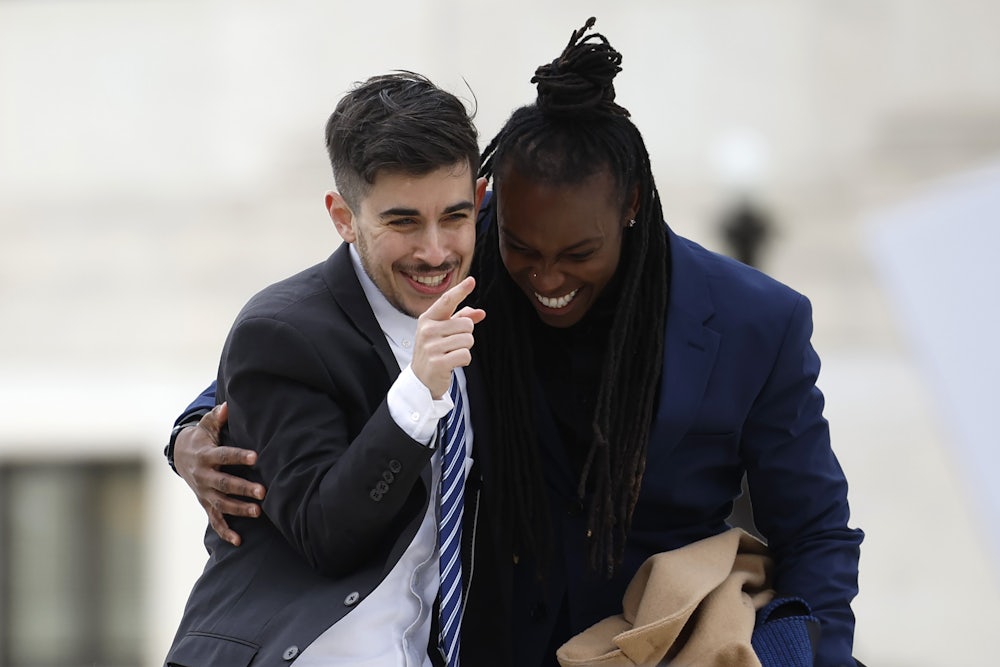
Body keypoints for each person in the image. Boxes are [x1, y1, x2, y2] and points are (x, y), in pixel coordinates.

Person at [170, 19, 864, 667]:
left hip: (644, 646)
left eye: (579, 253)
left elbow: (817, 530)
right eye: (523, 248)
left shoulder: (755, 321)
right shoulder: (470, 259)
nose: (547, 277)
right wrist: (186, 436)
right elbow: (299, 350)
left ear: (630, 208)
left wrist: (803, 657)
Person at [162, 71, 500, 667]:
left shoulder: (497, 273)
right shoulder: (282, 331)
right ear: (343, 217)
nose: (435, 251)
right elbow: (326, 535)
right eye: (401, 223)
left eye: (454, 216)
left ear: (478, 199)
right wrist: (417, 394)